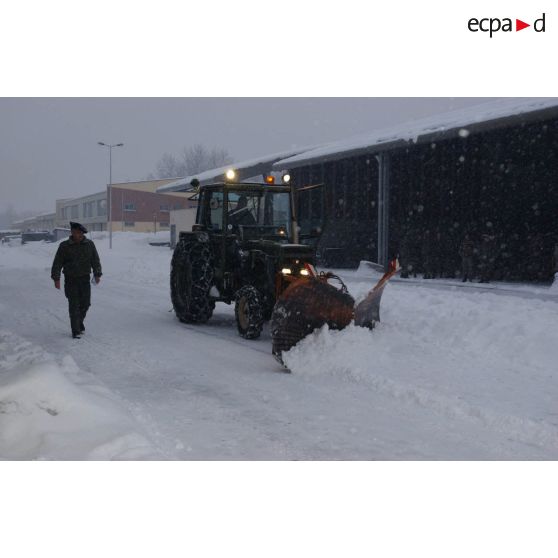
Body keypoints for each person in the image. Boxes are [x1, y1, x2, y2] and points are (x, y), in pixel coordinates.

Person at [51, 222, 102, 338]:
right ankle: (76, 330)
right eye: (74, 232)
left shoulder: (89, 244)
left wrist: (97, 274)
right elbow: (57, 263)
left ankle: (78, 323)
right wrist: (56, 278)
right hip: (71, 280)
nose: (76, 235)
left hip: (84, 279)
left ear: (82, 233)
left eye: (78, 233)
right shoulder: (64, 246)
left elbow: (95, 260)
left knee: (86, 304)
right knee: (74, 305)